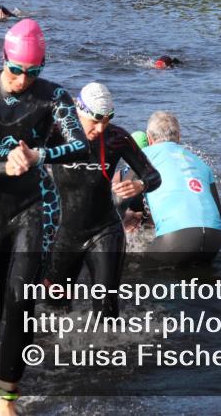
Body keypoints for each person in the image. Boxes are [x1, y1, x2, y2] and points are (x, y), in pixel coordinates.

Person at [0, 18, 89, 414]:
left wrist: (38, 155)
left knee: (21, 301)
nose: (23, 80)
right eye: (16, 70)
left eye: (33, 72)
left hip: (34, 208)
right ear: (3, 59)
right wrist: (4, 167)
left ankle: (7, 397)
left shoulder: (54, 96)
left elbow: (79, 146)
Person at [46, 83, 160, 315]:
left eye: (106, 121)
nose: (100, 128)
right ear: (79, 112)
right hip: (63, 235)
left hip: (105, 231)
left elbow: (153, 176)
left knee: (106, 311)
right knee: (55, 310)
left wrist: (141, 185)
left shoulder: (117, 138)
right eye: (95, 121)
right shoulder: (55, 134)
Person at [140, 112, 221, 266]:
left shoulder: (144, 155)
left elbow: (121, 193)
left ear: (149, 138)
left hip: (176, 241)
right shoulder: (200, 162)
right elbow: (220, 214)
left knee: (135, 268)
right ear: (179, 137)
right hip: (214, 241)